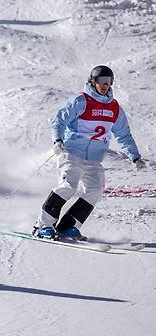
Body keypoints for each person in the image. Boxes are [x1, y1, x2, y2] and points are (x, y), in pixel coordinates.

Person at [33, 65, 146, 240]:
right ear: (92, 82)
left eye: (108, 82)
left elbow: (124, 135)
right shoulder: (81, 101)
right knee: (68, 186)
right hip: (71, 152)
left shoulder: (115, 108)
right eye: (101, 81)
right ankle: (42, 226)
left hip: (93, 158)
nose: (104, 85)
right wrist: (57, 140)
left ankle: (68, 226)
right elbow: (59, 120)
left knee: (95, 190)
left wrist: (135, 157)